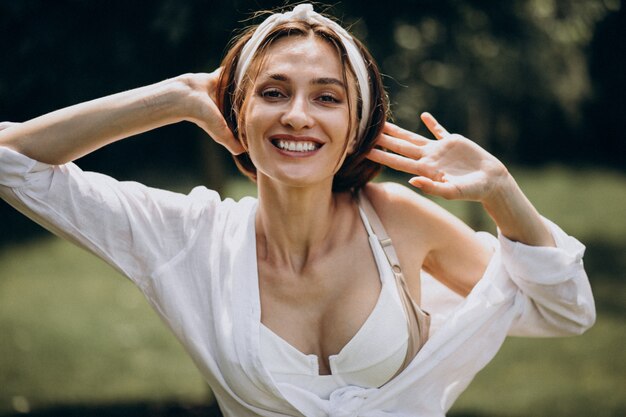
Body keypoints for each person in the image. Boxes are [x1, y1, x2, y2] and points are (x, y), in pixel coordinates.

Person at [0, 4, 595, 416]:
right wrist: (174, 96)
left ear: (355, 123)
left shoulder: (396, 219)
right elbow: (12, 163)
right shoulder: (192, 236)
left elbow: (565, 310)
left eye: (327, 97)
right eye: (273, 92)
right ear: (238, 111)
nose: (298, 116)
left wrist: (500, 190)